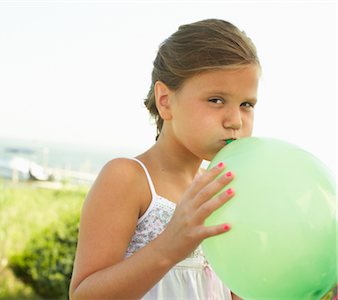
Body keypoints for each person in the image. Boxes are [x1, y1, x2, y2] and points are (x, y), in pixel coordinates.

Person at [69, 18, 260, 300]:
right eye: (216, 100)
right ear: (165, 100)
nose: (234, 121)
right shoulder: (127, 178)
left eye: (247, 104)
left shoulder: (223, 189)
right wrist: (171, 245)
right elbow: (84, 295)